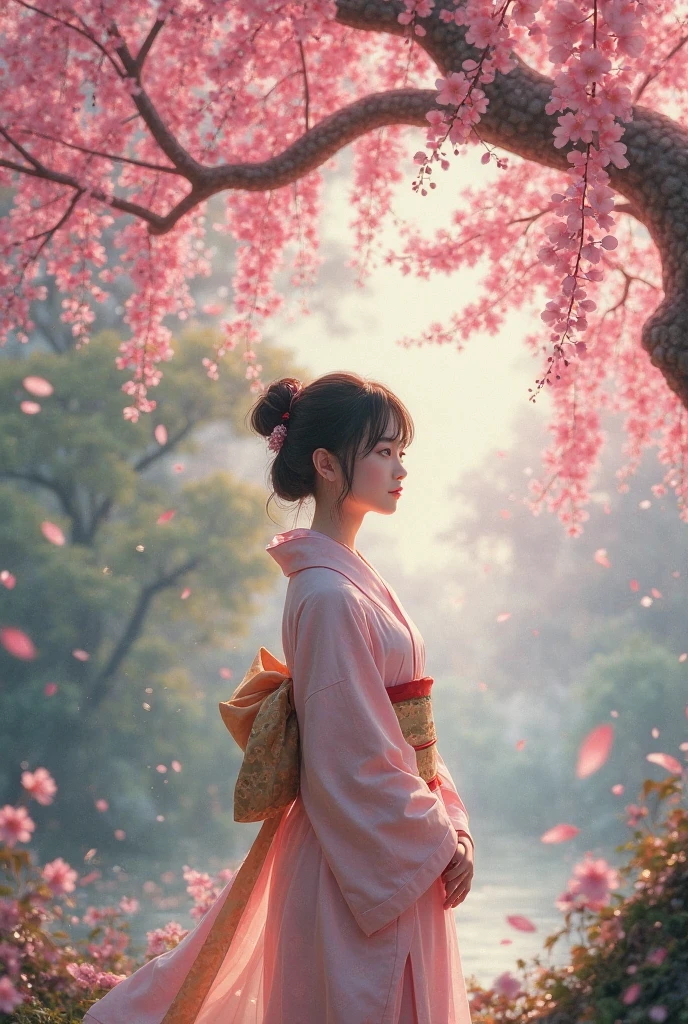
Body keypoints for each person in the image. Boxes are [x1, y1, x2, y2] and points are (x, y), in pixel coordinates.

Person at [83, 371, 474, 1024]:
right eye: (381, 451)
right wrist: (436, 839)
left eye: (399, 450)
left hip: (396, 845)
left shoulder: (348, 582)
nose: (399, 467)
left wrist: (451, 827)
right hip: (358, 861)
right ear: (326, 463)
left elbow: (410, 736)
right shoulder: (326, 595)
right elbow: (350, 757)